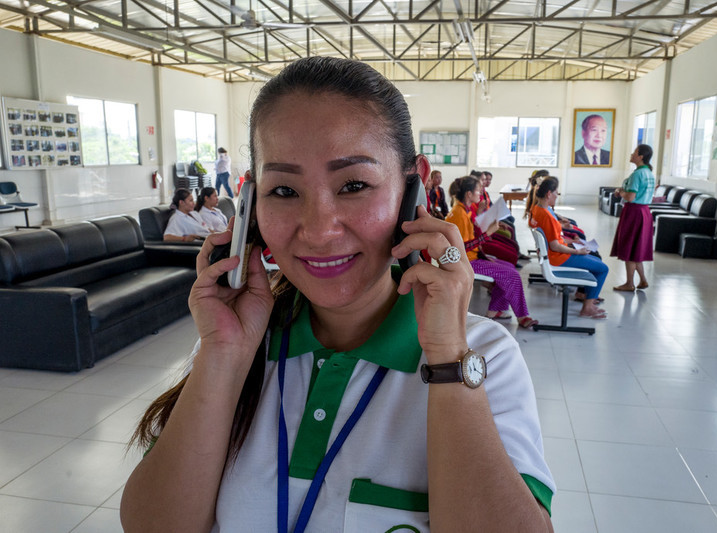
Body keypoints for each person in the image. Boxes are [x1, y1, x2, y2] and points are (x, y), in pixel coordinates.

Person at [121, 56, 554, 533]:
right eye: (284, 191)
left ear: (414, 185)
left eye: (353, 185)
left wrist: (449, 359)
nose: (319, 231)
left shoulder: (483, 357)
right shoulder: (233, 346)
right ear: (249, 204)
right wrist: (223, 354)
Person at [447, 175, 540, 329]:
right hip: (467, 262)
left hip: (472, 257)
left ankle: (496, 310)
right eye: (478, 191)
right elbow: (461, 248)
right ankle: (523, 316)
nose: (480, 194)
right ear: (469, 194)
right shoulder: (459, 214)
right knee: (512, 274)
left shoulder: (464, 210)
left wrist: (481, 217)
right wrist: (487, 234)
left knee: (509, 267)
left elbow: (471, 233)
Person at [531, 177, 609, 319]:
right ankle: (587, 307)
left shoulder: (537, 209)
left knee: (594, 259)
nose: (557, 196)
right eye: (556, 193)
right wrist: (577, 251)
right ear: (549, 194)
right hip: (558, 258)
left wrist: (572, 241)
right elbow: (555, 246)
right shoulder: (547, 216)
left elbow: (553, 239)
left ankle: (588, 301)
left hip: (554, 254)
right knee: (603, 269)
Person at [611, 144, 656, 291]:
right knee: (637, 249)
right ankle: (642, 280)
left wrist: (620, 192)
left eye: (635, 152)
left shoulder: (638, 174)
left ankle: (629, 283)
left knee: (629, 248)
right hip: (645, 212)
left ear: (641, 156)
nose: (632, 154)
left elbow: (630, 196)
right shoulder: (649, 172)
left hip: (634, 213)